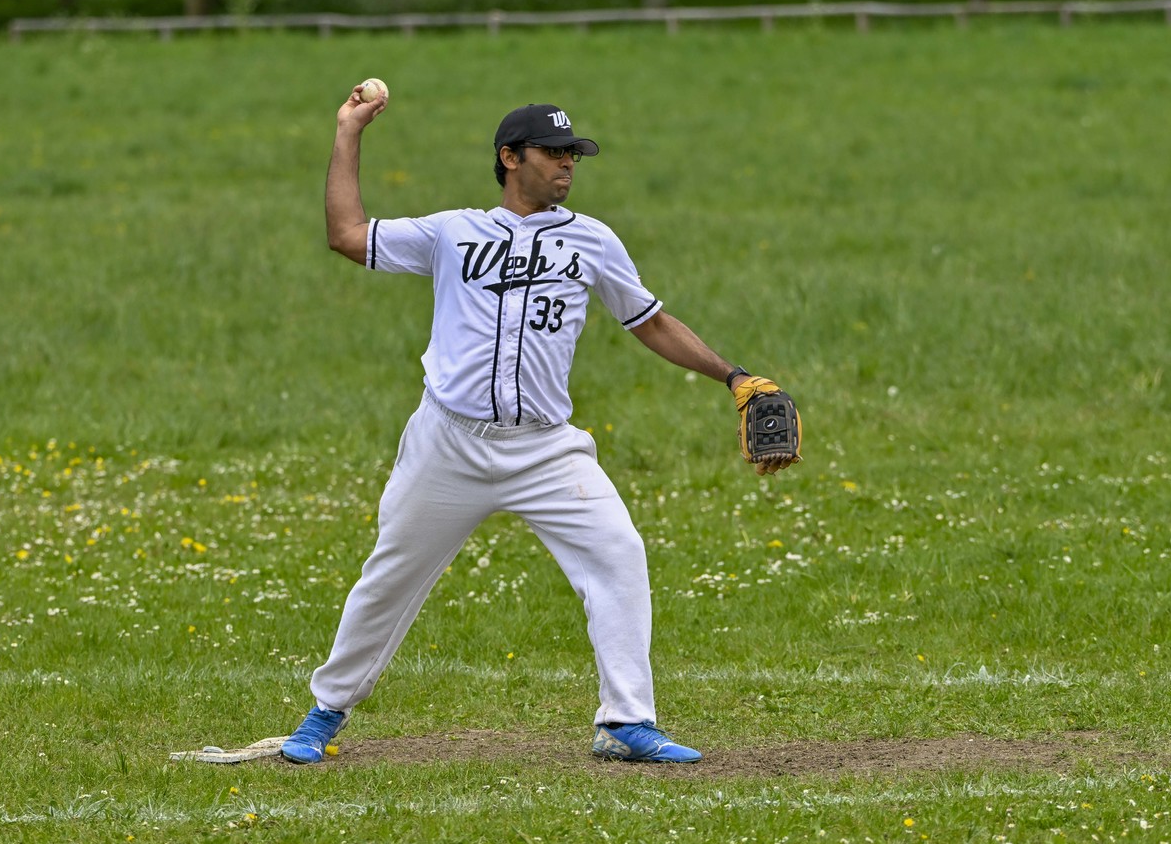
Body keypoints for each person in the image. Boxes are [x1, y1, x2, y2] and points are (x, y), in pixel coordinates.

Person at [281, 87, 797, 765]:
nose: (567, 163)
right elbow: (347, 235)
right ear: (509, 158)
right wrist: (349, 131)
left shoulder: (592, 240)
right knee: (390, 576)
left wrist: (733, 375)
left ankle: (625, 721)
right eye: (553, 152)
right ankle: (325, 711)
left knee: (618, 555)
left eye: (572, 153)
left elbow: (650, 321)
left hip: (547, 449)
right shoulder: (453, 232)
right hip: (448, 444)